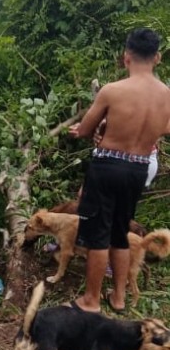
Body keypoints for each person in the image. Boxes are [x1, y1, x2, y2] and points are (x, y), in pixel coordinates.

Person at [68, 28, 170, 313]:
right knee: (119, 232)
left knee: (98, 233)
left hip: (108, 166)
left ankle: (90, 300)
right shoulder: (166, 95)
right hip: (138, 169)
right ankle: (119, 298)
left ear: (126, 57)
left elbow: (86, 130)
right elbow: (165, 128)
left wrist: (91, 130)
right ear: (157, 58)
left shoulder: (112, 90)